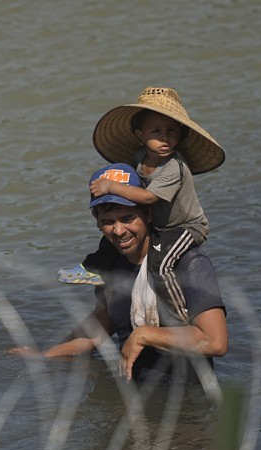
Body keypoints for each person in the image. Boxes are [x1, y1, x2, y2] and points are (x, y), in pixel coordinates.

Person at [14, 163, 227, 385]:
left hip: (183, 399)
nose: (119, 231)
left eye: (127, 218)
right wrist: (44, 356)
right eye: (108, 222)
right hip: (131, 393)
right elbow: (98, 327)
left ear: (148, 214)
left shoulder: (188, 262)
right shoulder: (111, 265)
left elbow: (215, 342)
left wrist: (144, 335)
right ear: (97, 222)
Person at [57, 86, 225, 327]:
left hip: (186, 227)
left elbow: (147, 198)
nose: (165, 138)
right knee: (109, 239)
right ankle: (91, 267)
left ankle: (177, 314)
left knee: (162, 263)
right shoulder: (139, 159)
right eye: (156, 131)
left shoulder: (174, 167)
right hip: (160, 224)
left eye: (172, 131)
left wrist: (111, 187)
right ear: (140, 135)